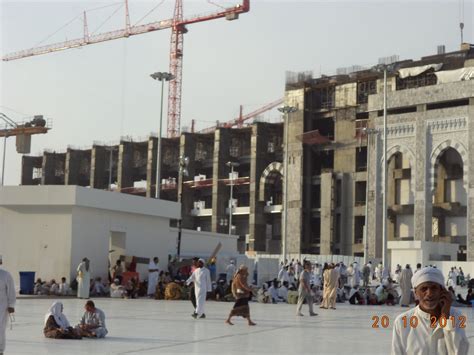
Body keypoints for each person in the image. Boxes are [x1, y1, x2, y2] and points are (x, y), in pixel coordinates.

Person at [391, 267, 469, 355]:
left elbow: (460, 352)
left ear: (442, 291)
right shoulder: (402, 322)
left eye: (434, 288)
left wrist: (446, 318)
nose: (429, 293)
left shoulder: (456, 316)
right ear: (415, 293)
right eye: (424, 289)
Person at [0, 256, 15, 355]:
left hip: (2, 305)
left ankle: (0, 349)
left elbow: (11, 291)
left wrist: (11, 305)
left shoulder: (5, 275)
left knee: (0, 327)